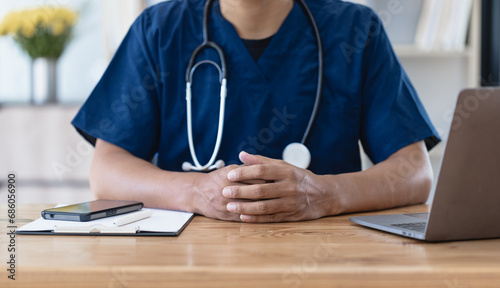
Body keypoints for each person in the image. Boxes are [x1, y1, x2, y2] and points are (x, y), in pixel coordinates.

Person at [72, 0, 440, 223]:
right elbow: (107, 171)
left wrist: (326, 193)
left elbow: (415, 171)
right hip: (187, 264)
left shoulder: (357, 32)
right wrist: (195, 191)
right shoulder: (159, 30)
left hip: (328, 261)